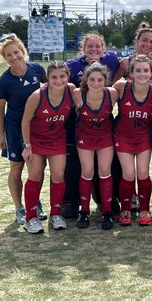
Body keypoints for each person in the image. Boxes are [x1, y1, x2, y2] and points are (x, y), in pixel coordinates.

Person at [62, 33, 121, 218]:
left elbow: (123, 78)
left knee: (107, 168)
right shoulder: (73, 67)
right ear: (83, 48)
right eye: (90, 46)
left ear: (103, 48)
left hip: (104, 127)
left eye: (98, 46)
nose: (94, 50)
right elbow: (58, 82)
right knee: (77, 167)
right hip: (79, 122)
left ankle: (108, 202)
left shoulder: (111, 62)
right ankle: (73, 202)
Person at [0, 33, 47, 225]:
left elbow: (48, 92)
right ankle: (19, 208)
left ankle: (35, 203)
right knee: (17, 168)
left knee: (38, 168)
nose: (14, 57)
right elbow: (0, 110)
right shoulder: (3, 82)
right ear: (4, 58)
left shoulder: (37, 69)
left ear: (22, 51)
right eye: (9, 55)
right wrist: (2, 134)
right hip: (15, 129)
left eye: (16, 52)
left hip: (37, 127)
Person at [21, 61, 75, 234]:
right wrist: (27, 146)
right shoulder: (37, 96)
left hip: (57, 139)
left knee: (58, 175)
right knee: (35, 175)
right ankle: (31, 217)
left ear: (67, 77)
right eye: (54, 77)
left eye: (62, 76)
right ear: (47, 78)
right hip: (36, 140)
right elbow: (25, 121)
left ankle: (56, 214)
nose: (58, 80)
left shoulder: (72, 91)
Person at [113, 55, 152, 226]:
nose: (142, 74)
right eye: (137, 70)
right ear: (130, 73)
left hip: (143, 137)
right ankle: (125, 210)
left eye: (145, 70)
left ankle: (144, 210)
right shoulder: (121, 87)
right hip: (123, 136)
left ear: (151, 73)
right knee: (128, 173)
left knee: (143, 173)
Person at [72, 63, 119, 230]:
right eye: (92, 79)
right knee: (87, 172)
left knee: (105, 172)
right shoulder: (78, 94)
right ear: (86, 80)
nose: (96, 83)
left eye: (100, 79)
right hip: (85, 136)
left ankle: (107, 212)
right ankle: (84, 211)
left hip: (105, 136)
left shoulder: (112, 93)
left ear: (106, 80)